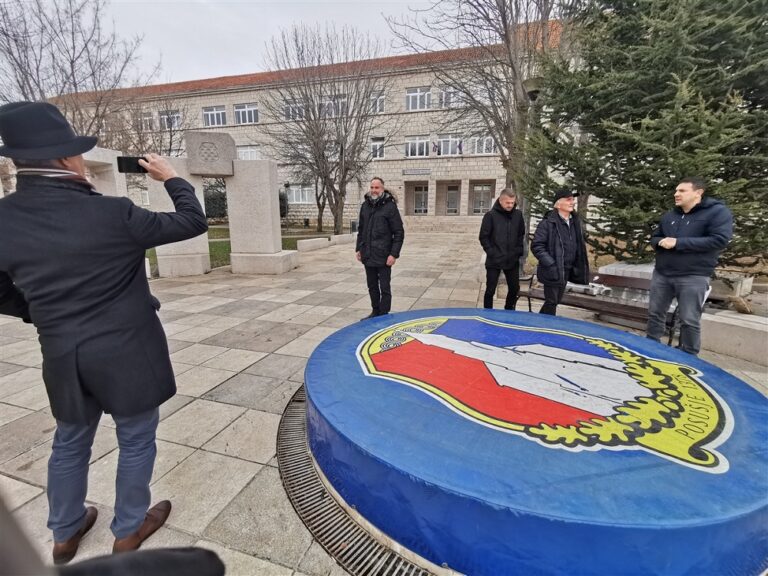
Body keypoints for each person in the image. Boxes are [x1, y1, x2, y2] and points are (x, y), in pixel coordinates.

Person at [0, 101, 208, 564]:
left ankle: (64, 533)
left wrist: (40, 313)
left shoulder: (3, 219)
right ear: (64, 158)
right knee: (136, 439)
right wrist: (171, 177)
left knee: (70, 440)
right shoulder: (114, 214)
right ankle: (129, 530)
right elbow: (192, 221)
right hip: (128, 350)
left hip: (61, 352)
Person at [646, 177, 733, 355]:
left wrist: (679, 243)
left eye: (682, 191)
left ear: (698, 193)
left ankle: (689, 355)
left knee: (689, 319)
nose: (676, 194)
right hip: (663, 274)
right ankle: (649, 348)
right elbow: (655, 237)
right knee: (655, 314)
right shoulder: (671, 215)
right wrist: (659, 242)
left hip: (693, 276)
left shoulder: (717, 213)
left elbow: (719, 240)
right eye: (676, 191)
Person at [531, 188, 590, 315]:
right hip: (552, 269)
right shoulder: (547, 223)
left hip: (567, 269)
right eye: (568, 200)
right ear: (558, 204)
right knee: (552, 301)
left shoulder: (575, 223)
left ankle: (539, 323)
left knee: (554, 301)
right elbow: (537, 246)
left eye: (573, 200)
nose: (572, 202)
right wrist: (551, 263)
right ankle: (546, 329)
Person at [356, 177, 405, 319]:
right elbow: (361, 229)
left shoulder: (390, 207)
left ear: (382, 189)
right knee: (372, 286)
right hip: (368, 255)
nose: (373, 190)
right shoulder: (365, 206)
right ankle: (375, 311)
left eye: (376, 188)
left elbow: (399, 232)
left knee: (384, 288)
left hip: (384, 256)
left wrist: (393, 254)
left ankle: (384, 314)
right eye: (372, 187)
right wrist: (358, 249)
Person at [478, 188, 526, 310]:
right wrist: (492, 252)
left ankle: (508, 311)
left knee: (514, 288)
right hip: (494, 260)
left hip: (512, 259)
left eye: (512, 202)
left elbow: (521, 234)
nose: (511, 205)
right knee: (490, 290)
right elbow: (483, 237)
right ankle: (488, 314)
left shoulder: (518, 215)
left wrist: (518, 251)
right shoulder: (490, 216)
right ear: (500, 200)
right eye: (507, 203)